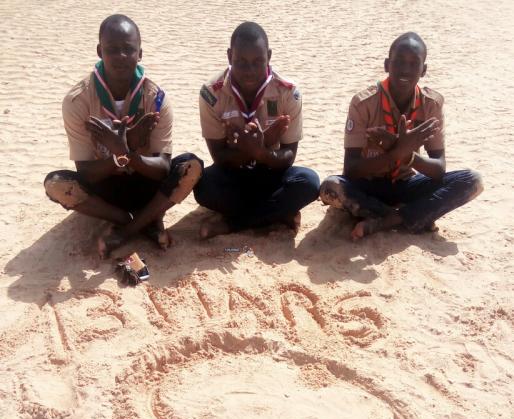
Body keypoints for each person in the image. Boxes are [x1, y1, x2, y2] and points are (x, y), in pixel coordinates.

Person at [44, 14, 203, 257]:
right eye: (112, 49)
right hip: (105, 188)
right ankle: (139, 220)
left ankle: (127, 230)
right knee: (55, 184)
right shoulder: (78, 100)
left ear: (140, 53)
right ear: (100, 51)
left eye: (128, 49)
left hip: (147, 183)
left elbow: (162, 168)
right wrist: (119, 155)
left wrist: (127, 152)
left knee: (192, 166)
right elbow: (85, 171)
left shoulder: (156, 99)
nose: (120, 57)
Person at [320, 32, 483, 240]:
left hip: (407, 184)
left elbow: (439, 169)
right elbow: (351, 170)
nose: (405, 70)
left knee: (472, 180)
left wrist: (408, 157)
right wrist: (394, 152)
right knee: (330, 186)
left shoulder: (431, 105)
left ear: (424, 70)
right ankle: (411, 215)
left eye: (414, 63)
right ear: (387, 65)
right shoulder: (363, 103)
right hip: (370, 185)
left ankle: (388, 220)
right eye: (399, 62)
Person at [193, 21, 320, 239]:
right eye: (241, 62)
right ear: (229, 56)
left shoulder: (288, 93)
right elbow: (220, 157)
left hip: (272, 173)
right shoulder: (211, 93)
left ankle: (233, 224)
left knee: (309, 182)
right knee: (203, 187)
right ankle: (275, 214)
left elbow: (289, 156)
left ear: (269, 56)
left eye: (257, 62)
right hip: (233, 174)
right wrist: (250, 149)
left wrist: (261, 152)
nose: (249, 71)